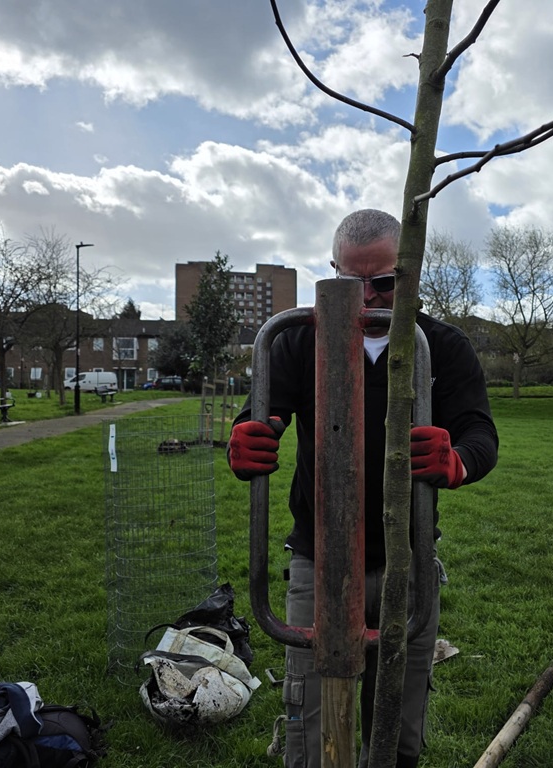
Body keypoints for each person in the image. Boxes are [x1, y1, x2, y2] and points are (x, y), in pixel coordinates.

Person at [228, 209, 498, 768]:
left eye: (385, 282)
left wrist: (456, 462)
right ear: (333, 272)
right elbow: (263, 413)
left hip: (407, 563)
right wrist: (247, 437)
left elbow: (480, 435)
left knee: (397, 728)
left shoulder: (440, 346)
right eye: (351, 282)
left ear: (411, 273)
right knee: (310, 732)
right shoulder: (301, 340)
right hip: (318, 560)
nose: (369, 297)